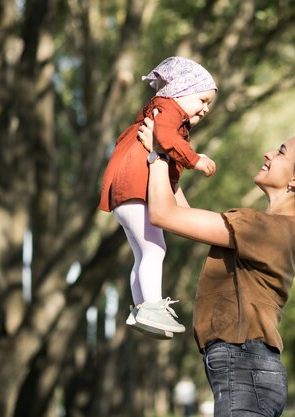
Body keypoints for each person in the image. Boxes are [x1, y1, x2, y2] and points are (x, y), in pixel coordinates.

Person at [138, 119, 295, 417]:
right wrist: (170, 165)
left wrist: (157, 155)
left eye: (280, 152)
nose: (268, 154)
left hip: (246, 365)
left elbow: (163, 214)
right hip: (247, 367)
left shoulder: (266, 228)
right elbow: (183, 218)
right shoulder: (273, 229)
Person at [98, 56, 218, 339]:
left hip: (126, 193)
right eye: (202, 100)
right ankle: (151, 306)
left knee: (143, 253)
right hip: (135, 189)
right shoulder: (168, 109)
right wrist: (195, 159)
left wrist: (183, 211)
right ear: (182, 90)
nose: (205, 109)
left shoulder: (165, 114)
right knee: (154, 250)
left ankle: (142, 307)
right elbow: (164, 139)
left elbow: (167, 170)